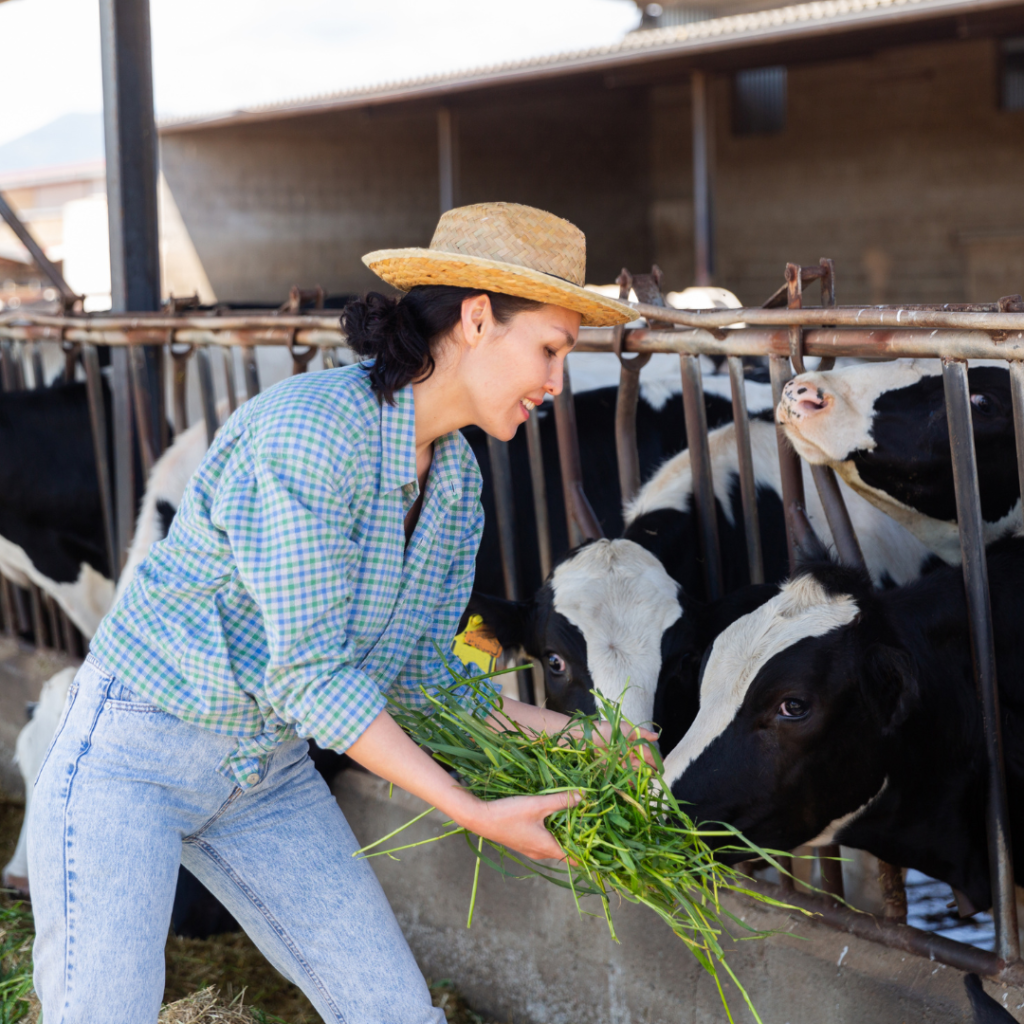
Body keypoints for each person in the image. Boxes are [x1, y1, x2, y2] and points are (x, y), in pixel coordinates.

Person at [28, 202, 645, 1023]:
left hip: (264, 776)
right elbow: (312, 674)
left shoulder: (456, 484)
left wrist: (590, 741)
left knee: (398, 1016)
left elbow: (426, 685)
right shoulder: (311, 435)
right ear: (474, 319)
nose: (556, 383)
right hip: (135, 755)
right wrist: (474, 813)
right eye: (551, 349)